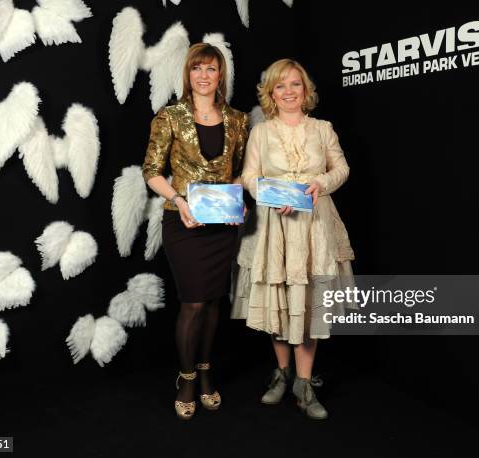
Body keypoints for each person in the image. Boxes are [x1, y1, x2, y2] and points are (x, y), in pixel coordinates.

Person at [231, 59, 354, 420]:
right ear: (271, 93)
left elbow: (342, 168)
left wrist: (321, 184)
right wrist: (272, 195)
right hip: (276, 225)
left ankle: (303, 382)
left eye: (295, 85)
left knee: (309, 298)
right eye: (280, 86)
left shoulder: (323, 128)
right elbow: (249, 177)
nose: (288, 92)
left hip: (315, 225)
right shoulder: (262, 132)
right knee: (280, 296)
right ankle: (282, 374)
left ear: (306, 91)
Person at [142, 43, 248, 420]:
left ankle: (205, 371)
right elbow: (151, 171)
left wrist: (239, 201)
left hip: (222, 224)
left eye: (211, 69)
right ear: (188, 74)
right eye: (197, 69)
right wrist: (180, 200)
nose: (204, 75)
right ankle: (186, 378)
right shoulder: (170, 116)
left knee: (214, 300)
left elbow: (237, 172)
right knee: (194, 302)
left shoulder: (238, 120)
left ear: (221, 75)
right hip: (183, 221)